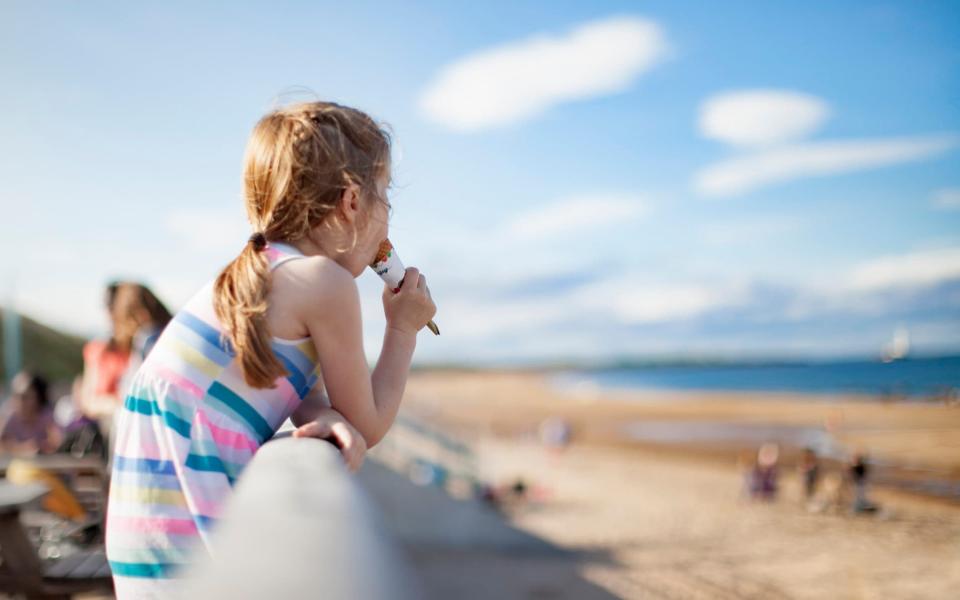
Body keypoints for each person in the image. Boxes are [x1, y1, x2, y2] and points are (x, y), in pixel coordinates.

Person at [105, 101, 436, 597]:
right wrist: (403, 329)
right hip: (189, 546)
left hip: (147, 532)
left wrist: (321, 411)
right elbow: (368, 425)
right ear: (351, 201)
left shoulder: (258, 273)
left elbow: (274, 385)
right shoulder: (324, 284)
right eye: (385, 193)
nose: (388, 212)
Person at [0, 371, 61, 454]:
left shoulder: (46, 416)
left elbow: (57, 442)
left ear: (38, 398)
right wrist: (23, 448)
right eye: (16, 396)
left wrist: (42, 447)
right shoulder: (9, 415)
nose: (19, 401)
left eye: (25, 397)